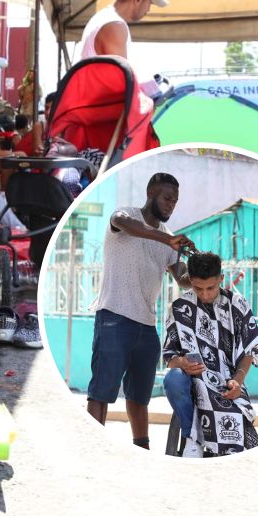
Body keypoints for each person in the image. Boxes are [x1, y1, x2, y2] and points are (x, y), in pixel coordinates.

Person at [87, 173, 194, 450]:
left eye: (175, 201)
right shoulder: (126, 216)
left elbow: (182, 279)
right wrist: (166, 239)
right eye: (167, 198)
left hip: (146, 326)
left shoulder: (168, 239)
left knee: (139, 397)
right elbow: (123, 223)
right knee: (101, 392)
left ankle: (141, 447)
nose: (171, 205)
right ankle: (92, 449)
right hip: (114, 317)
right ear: (151, 193)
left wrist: (200, 268)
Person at [161, 252, 258, 457]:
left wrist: (238, 380)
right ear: (190, 281)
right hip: (192, 379)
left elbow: (250, 349)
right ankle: (191, 437)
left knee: (237, 422)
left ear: (221, 279)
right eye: (198, 288)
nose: (204, 294)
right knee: (173, 379)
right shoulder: (180, 308)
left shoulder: (238, 305)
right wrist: (182, 362)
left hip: (228, 380)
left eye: (210, 288)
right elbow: (169, 356)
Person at [77, 0, 169, 60]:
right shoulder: (114, 25)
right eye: (150, 3)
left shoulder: (103, 18)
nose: (148, 9)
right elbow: (118, 71)